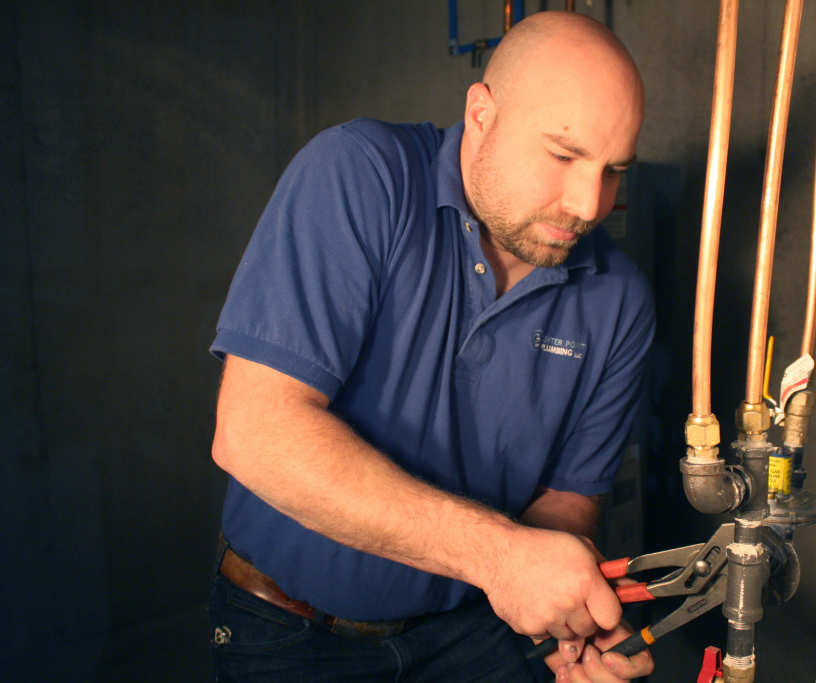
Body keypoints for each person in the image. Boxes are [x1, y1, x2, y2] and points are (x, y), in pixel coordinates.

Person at [209, 10, 657, 683]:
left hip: (471, 630)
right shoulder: (360, 176)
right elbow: (253, 431)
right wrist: (504, 558)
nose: (588, 204)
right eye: (563, 155)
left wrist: (565, 604)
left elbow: (566, 496)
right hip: (291, 628)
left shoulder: (619, 301)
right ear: (481, 114)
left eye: (614, 169)